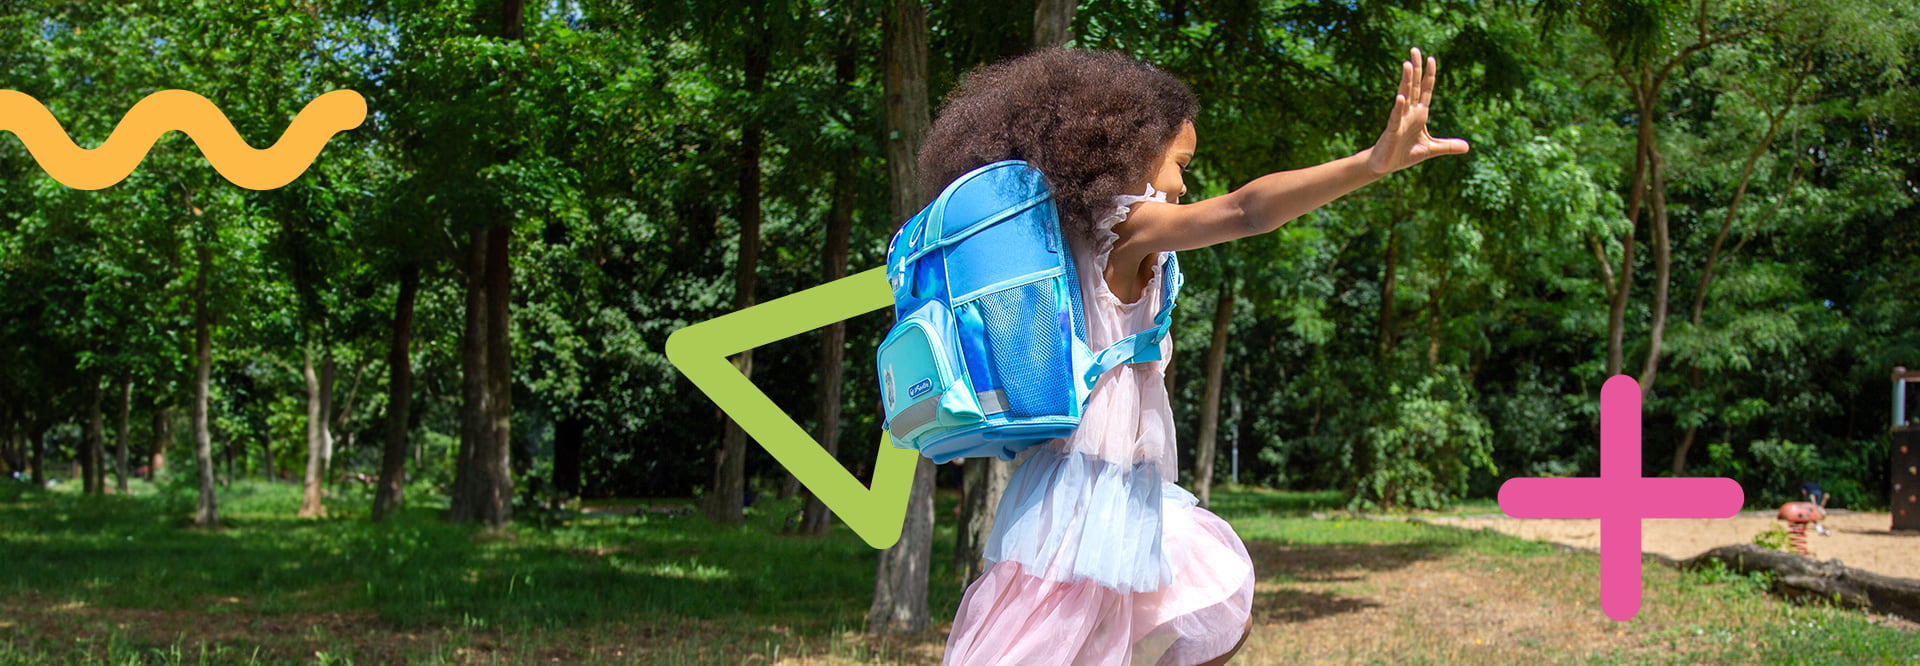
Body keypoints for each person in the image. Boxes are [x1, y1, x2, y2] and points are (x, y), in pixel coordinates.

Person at [924, 47, 1468, 665]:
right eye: (1181, 164)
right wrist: (1370, 164)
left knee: (1181, 613)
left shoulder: (1089, 239)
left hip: (1118, 488)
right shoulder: (1119, 229)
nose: (1185, 184)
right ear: (1127, 154)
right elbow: (1246, 209)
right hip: (1084, 495)